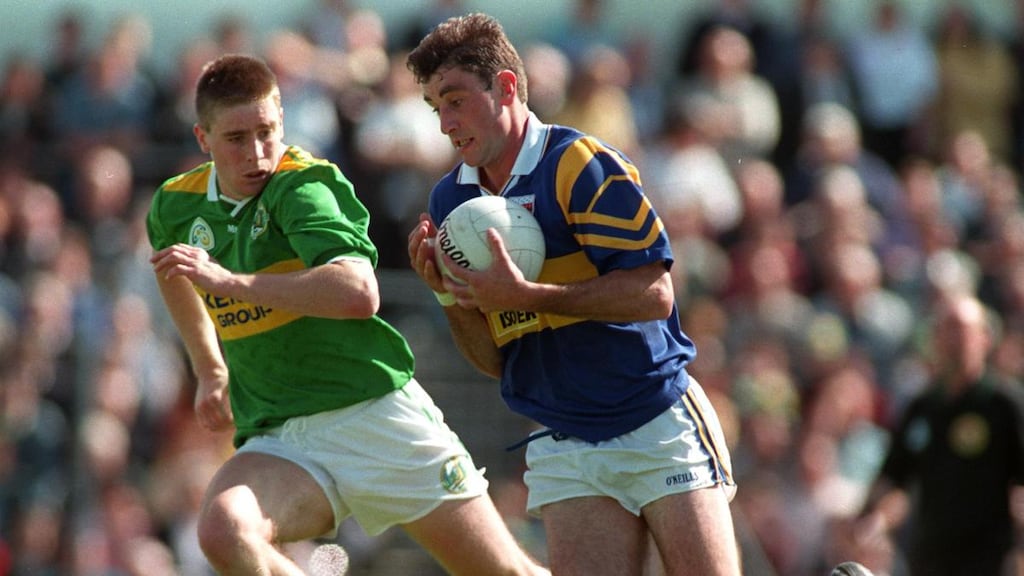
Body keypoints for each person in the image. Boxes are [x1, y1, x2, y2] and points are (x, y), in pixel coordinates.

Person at [145, 53, 547, 576]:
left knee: (503, 572)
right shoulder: (176, 206)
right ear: (203, 138)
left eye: (267, 132)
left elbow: (359, 291)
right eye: (236, 138)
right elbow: (173, 272)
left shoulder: (303, 186)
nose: (258, 153)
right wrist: (209, 368)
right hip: (281, 434)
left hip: (374, 416)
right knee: (224, 531)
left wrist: (230, 281)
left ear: (283, 121)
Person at [405, 13, 742, 576]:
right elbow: (494, 360)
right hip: (563, 439)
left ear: (506, 86)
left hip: (654, 417)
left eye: (456, 100)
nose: (444, 123)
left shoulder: (578, 164)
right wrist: (447, 296)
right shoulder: (449, 204)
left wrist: (530, 294)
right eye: (435, 107)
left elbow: (654, 293)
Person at [845, 293, 1024, 576]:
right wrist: (871, 522)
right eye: (946, 329)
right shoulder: (922, 408)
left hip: (989, 557)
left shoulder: (1004, 406)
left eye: (962, 330)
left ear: (984, 339)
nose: (955, 340)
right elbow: (894, 477)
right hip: (931, 556)